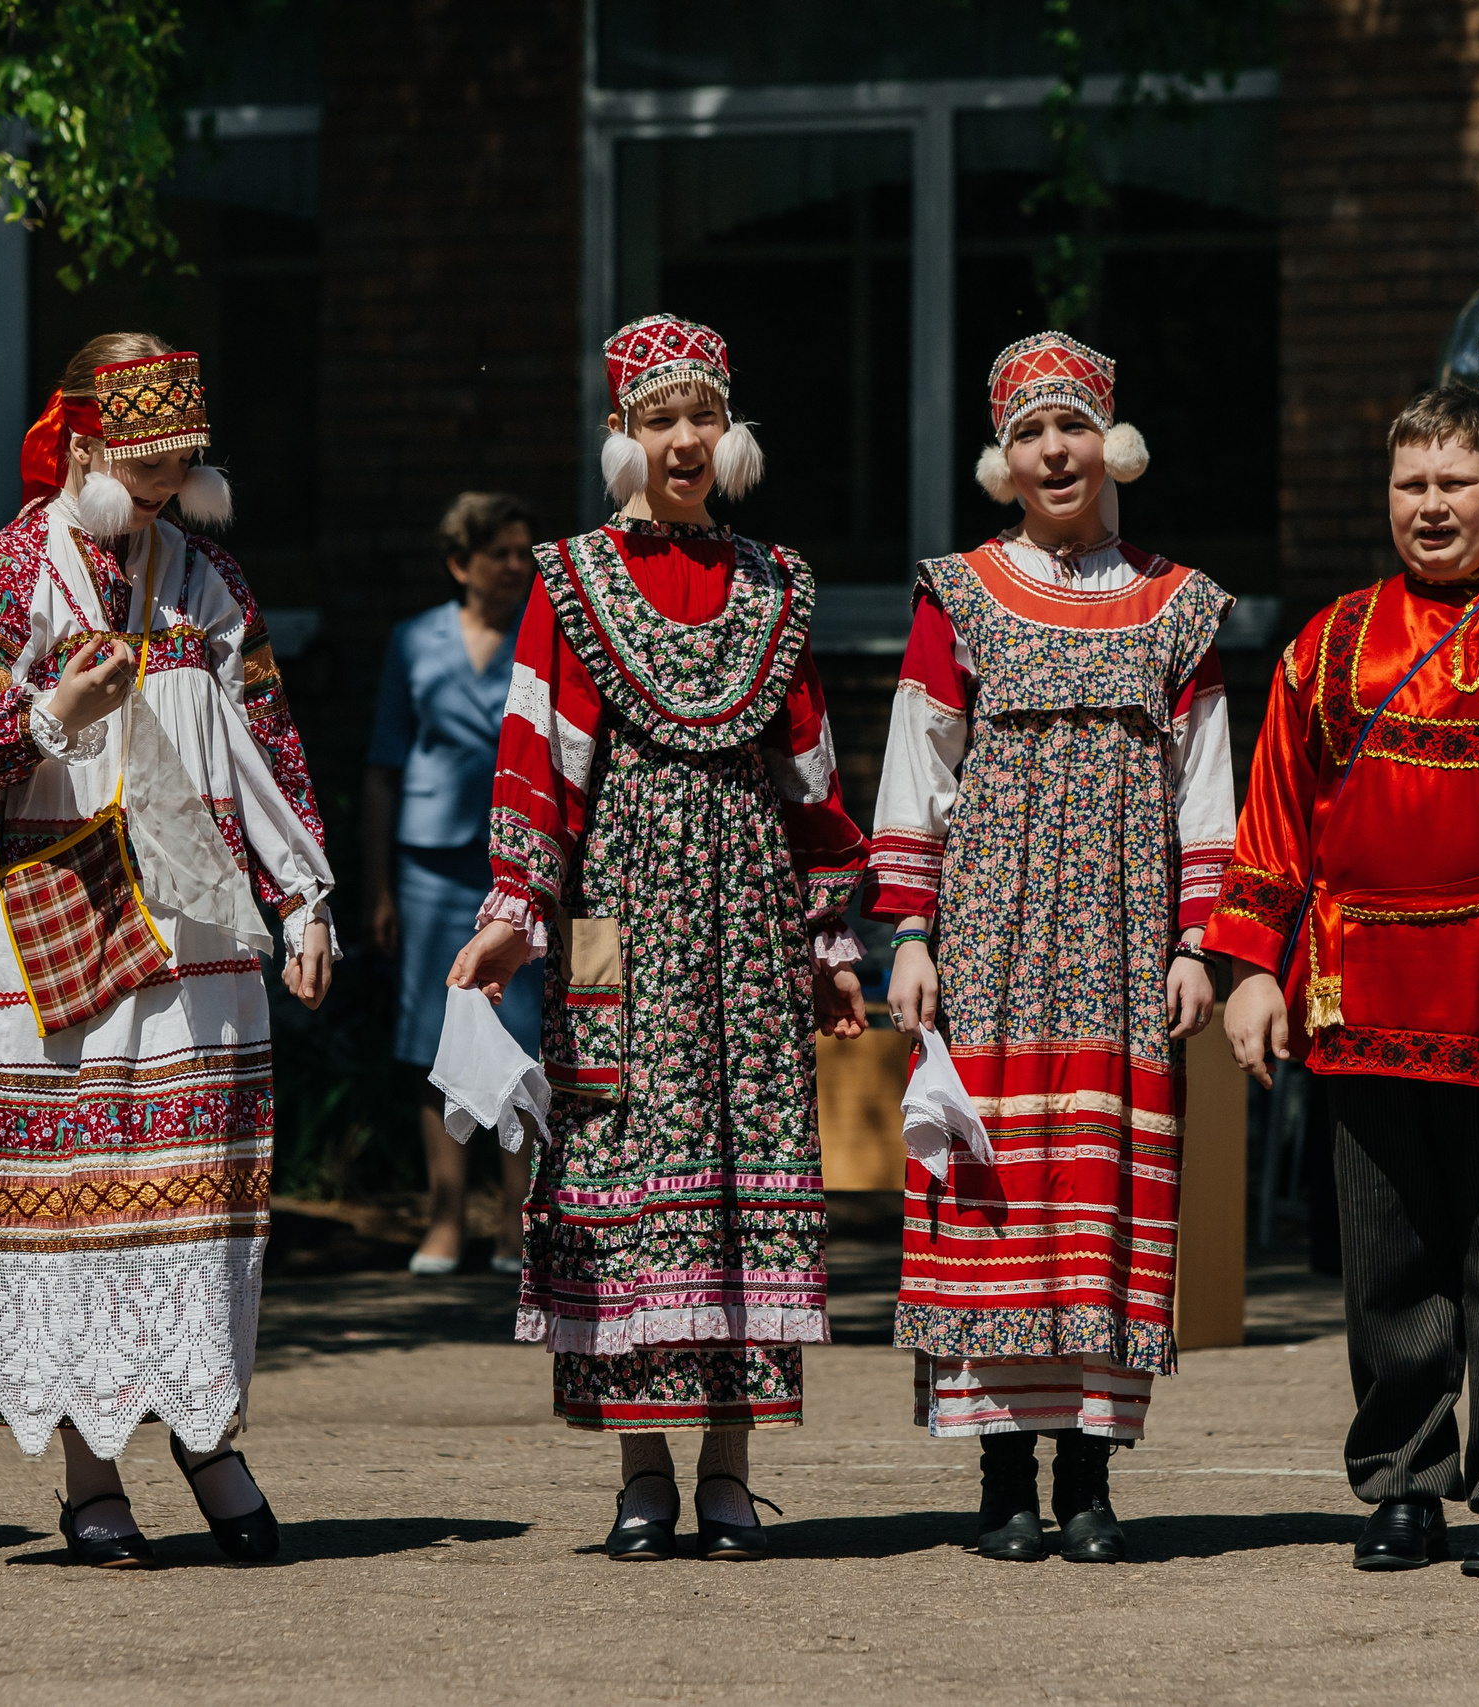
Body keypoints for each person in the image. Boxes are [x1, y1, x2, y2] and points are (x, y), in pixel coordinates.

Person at [1206, 385, 1479, 1578]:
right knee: (1386, 1254)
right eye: (1411, 484)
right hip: (1361, 986)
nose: (1432, 505)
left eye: (1455, 482)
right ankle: (1401, 1483)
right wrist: (1250, 967)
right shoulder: (1326, 644)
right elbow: (1275, 818)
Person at [0, 333, 336, 1567]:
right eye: (145, 461)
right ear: (85, 443)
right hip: (63, 917)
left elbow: (268, 743)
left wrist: (304, 898)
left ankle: (208, 1436)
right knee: (78, 1188)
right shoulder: (4, 570)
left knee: (196, 1193)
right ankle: (92, 1472)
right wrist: (53, 712)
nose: (164, 484)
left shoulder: (208, 579)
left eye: (180, 462)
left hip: (198, 928)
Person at [447, 313, 870, 1561]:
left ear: (728, 432)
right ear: (622, 435)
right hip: (613, 917)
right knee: (619, 1165)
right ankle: (641, 1474)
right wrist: (515, 915)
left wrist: (827, 943)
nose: (684, 439)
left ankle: (729, 1473)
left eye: (703, 416)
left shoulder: (776, 583)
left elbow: (809, 773)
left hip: (746, 914)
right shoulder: (570, 580)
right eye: (660, 418)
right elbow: (539, 759)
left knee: (740, 1177)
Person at [869, 331, 1233, 1564]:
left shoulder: (1178, 603)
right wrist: (909, 932)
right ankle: (999, 1477)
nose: (1055, 451)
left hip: (1125, 935)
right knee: (996, 1187)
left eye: (1072, 426)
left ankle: (1087, 1473)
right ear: (1003, 460)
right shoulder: (959, 591)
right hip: (991, 933)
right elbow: (918, 766)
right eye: (1030, 433)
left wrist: (1197, 942)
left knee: (1103, 1184)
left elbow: (1204, 788)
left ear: (1110, 444)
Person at [366, 493, 541, 1275]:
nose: (516, 565)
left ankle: (516, 1222)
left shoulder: (543, 637)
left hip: (517, 862)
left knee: (523, 1036)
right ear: (459, 563)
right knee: (431, 1038)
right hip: (430, 866)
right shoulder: (414, 640)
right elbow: (384, 766)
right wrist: (379, 887)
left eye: (523, 552)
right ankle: (444, 1220)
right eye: (500, 553)